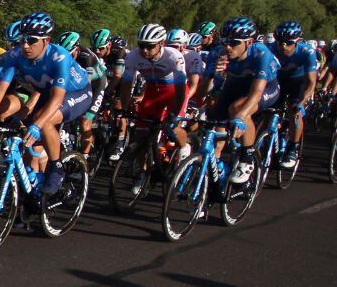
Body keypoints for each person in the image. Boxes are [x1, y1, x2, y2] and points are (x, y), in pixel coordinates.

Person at [0, 11, 93, 194]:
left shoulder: (59, 57)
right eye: (22, 39)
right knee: (29, 143)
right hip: (47, 93)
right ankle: (33, 192)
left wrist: (37, 125)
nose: (25, 45)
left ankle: (57, 168)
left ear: (46, 40)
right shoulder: (15, 56)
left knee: (42, 120)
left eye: (32, 40)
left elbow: (57, 98)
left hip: (76, 93)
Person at [207, 17, 281, 184]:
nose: (227, 47)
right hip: (235, 86)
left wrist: (241, 117)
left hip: (266, 88)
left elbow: (256, 92)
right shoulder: (217, 53)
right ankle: (212, 182)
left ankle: (247, 158)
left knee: (238, 109)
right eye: (224, 41)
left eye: (234, 43)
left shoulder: (261, 53)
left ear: (249, 42)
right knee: (215, 136)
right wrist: (215, 75)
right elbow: (207, 91)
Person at [113, 24, 191, 162]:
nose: (144, 50)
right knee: (141, 133)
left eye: (149, 46)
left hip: (174, 91)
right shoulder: (133, 56)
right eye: (141, 45)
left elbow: (180, 90)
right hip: (153, 90)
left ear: (162, 43)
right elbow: (126, 84)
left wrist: (173, 115)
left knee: (172, 127)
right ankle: (143, 174)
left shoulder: (174, 56)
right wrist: (124, 108)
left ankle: (184, 147)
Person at [269, 21, 318, 167]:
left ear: (298, 41)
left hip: (299, 82)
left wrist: (302, 103)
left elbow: (311, 82)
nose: (283, 46)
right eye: (279, 42)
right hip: (278, 81)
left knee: (294, 111)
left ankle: (292, 147)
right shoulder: (270, 49)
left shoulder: (307, 51)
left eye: (289, 42)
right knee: (266, 112)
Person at [56, 30, 108, 161]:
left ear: (76, 49)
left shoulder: (87, 58)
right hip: (77, 83)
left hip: (96, 85)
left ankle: (84, 159)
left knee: (85, 122)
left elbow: (85, 86)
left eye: (68, 54)